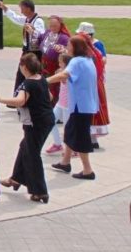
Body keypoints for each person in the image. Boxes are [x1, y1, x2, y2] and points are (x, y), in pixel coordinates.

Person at [0, 53, 54, 204]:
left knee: (33, 155)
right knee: (24, 146)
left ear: (24, 67)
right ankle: (16, 178)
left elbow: (19, 101)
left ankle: (40, 191)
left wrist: (0, 99)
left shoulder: (28, 84)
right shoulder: (41, 79)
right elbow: (50, 97)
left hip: (35, 123)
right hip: (46, 120)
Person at [49, 36, 99, 180]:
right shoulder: (88, 60)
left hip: (80, 106)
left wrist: (44, 81)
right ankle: (65, 162)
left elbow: (65, 74)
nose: (67, 47)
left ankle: (88, 170)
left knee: (81, 137)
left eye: (69, 45)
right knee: (70, 131)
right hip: (86, 104)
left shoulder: (76, 61)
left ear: (75, 47)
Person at [0, 0, 45, 93]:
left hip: (34, 53)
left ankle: (27, 96)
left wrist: (32, 31)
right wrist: (5, 8)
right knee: (21, 73)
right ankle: (19, 96)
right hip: (26, 51)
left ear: (28, 8)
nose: (21, 11)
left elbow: (41, 35)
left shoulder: (38, 21)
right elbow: (16, 18)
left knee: (31, 73)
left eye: (22, 8)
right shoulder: (27, 19)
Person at [74, 25, 109, 149]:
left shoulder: (94, 48)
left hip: (92, 84)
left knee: (91, 109)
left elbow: (103, 60)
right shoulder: (89, 49)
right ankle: (91, 138)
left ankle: (89, 138)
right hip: (93, 83)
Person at [39, 16, 71, 102]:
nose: (52, 28)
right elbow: (40, 38)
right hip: (44, 64)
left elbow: (69, 51)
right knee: (44, 84)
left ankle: (53, 104)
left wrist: (62, 49)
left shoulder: (64, 37)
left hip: (55, 66)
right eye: (51, 25)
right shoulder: (48, 32)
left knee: (53, 85)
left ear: (60, 25)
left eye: (55, 26)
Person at [45, 54, 71, 154]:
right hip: (60, 103)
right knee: (50, 121)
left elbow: (61, 78)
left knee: (67, 127)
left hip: (68, 105)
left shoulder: (67, 72)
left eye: (60, 62)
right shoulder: (62, 71)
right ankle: (57, 143)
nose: (58, 64)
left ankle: (72, 148)